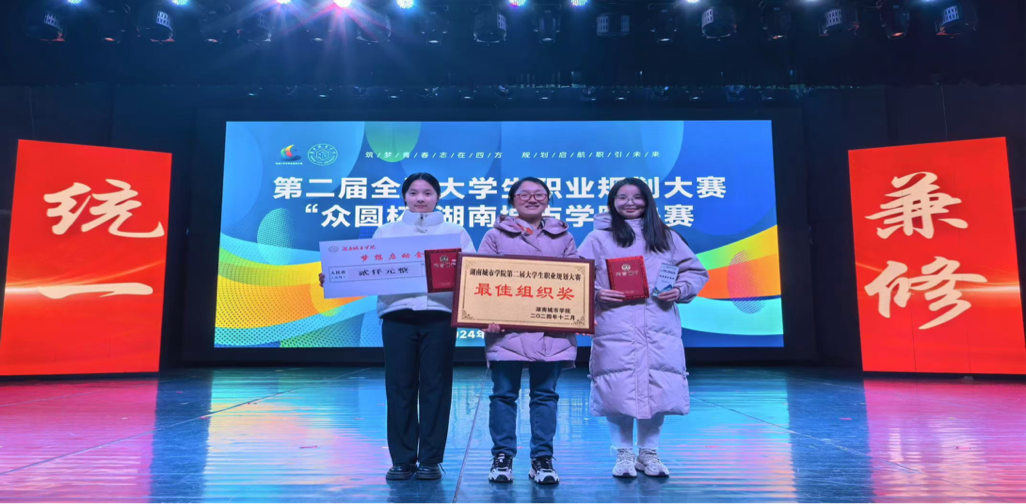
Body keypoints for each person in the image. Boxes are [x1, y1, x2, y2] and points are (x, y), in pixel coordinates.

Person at [319, 173, 474, 481]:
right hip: (397, 316)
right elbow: (365, 270)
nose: (420, 198)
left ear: (438, 196)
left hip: (440, 316)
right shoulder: (387, 231)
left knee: (436, 387)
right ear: (404, 196)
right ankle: (402, 460)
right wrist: (336, 277)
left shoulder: (455, 232)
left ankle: (430, 460)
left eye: (427, 192)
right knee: (399, 386)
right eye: (414, 192)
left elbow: (472, 272)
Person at [577, 177, 709, 479]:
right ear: (612, 202)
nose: (630, 203)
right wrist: (596, 293)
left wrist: (681, 289)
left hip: (658, 324)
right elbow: (576, 275)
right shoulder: (598, 238)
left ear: (648, 201)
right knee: (617, 389)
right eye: (622, 197)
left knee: (657, 389)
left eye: (637, 197)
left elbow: (695, 271)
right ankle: (623, 454)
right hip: (615, 324)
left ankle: (649, 452)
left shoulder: (666, 235)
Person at [477, 177, 580, 486]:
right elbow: (480, 281)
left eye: (539, 194)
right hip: (506, 331)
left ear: (547, 200)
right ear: (512, 200)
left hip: (552, 329)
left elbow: (576, 282)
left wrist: (576, 315)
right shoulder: (495, 235)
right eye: (524, 194)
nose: (532, 199)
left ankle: (542, 459)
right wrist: (485, 316)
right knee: (503, 395)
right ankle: (502, 456)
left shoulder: (564, 236)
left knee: (545, 395)